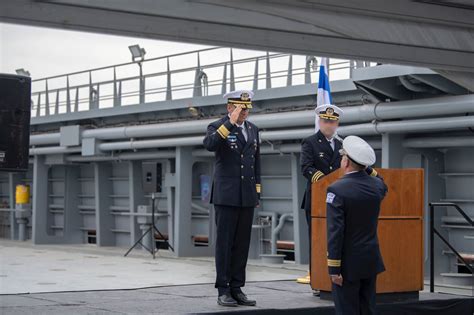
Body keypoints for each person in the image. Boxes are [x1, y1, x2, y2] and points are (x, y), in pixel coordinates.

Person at [203, 89, 261, 307]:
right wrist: (229, 123)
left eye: (247, 108)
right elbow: (209, 145)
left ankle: (237, 288)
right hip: (226, 196)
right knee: (225, 244)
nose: (245, 112)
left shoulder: (253, 130)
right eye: (240, 108)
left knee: (242, 244)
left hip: (246, 195)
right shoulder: (217, 126)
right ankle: (223, 289)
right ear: (230, 108)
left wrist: (256, 192)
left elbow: (256, 163)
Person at [326, 136, 387, 315]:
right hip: (370, 259)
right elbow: (381, 180)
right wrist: (366, 167)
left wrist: (334, 268)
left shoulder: (336, 189)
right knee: (368, 308)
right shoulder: (377, 187)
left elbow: (335, 232)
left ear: (345, 161)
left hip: (347, 265)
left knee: (347, 310)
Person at [297, 104, 344, 287]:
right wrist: (327, 183)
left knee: (336, 239)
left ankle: (335, 279)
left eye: (332, 121)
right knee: (317, 241)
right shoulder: (309, 142)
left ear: (337, 123)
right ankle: (317, 280)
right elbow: (306, 168)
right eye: (325, 121)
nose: (328, 125)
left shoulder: (342, 144)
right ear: (319, 121)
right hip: (317, 200)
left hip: (339, 200)